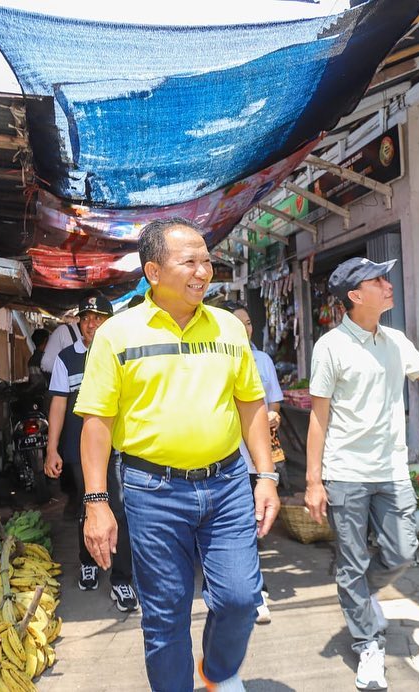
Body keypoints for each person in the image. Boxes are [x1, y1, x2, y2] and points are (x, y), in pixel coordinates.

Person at [75, 217, 280, 692]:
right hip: (153, 490)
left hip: (227, 484)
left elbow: (251, 404)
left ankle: (218, 673)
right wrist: (96, 502)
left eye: (206, 260)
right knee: (165, 612)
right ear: (152, 271)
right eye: (189, 261)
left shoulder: (229, 327)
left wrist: (265, 476)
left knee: (240, 598)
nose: (203, 271)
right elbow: (97, 423)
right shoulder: (116, 334)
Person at [304, 256, 419, 691]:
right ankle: (368, 643)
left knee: (403, 552)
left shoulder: (395, 341)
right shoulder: (329, 347)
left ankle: (360, 600)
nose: (389, 285)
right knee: (351, 562)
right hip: (345, 473)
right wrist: (313, 481)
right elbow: (318, 419)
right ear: (355, 295)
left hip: (391, 471)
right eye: (378, 280)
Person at [44, 294, 138, 611]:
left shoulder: (124, 354)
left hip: (120, 450)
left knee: (121, 511)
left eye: (98, 317)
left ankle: (122, 580)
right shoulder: (66, 359)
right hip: (79, 450)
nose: (91, 323)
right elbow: (58, 403)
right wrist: (51, 449)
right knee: (88, 508)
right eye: (86, 318)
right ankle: (88, 560)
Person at [224, 300, 283, 624]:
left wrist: (272, 415)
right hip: (228, 460)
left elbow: (273, 400)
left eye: (247, 323)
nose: (245, 329)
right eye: (238, 323)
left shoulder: (262, 360)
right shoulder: (217, 357)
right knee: (238, 529)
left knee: (252, 525)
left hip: (256, 462)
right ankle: (248, 590)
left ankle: (254, 590)